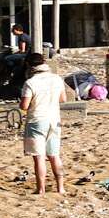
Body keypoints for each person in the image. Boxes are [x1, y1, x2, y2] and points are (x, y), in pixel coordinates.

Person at [19, 53, 70, 195]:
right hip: (54, 120)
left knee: (39, 157)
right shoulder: (57, 79)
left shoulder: (30, 82)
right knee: (54, 155)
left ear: (29, 65)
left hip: (36, 121)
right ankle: (61, 187)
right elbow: (63, 99)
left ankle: (41, 189)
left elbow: (24, 106)